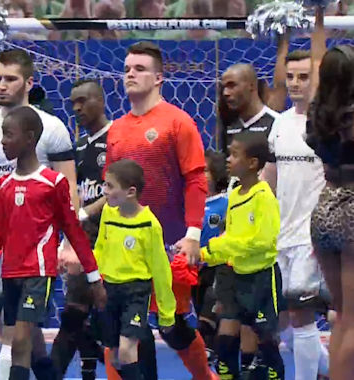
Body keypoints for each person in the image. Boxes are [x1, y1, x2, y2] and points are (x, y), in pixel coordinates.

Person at [0, 106, 107, 380]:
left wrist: (94, 277)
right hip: (10, 275)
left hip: (38, 274)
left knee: (19, 342)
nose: (2, 141)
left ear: (29, 138)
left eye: (8, 135)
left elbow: (74, 232)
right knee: (34, 349)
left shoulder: (53, 183)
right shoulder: (3, 186)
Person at [104, 40, 216, 380]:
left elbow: (196, 180)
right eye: (126, 69)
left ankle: (206, 377)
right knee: (118, 328)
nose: (131, 75)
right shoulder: (117, 130)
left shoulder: (177, 122)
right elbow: (110, 191)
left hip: (168, 245)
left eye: (139, 69)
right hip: (124, 249)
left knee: (173, 325)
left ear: (158, 78)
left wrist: (193, 235)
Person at [0, 48, 77, 380]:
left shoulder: (52, 128)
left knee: (17, 332)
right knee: (13, 328)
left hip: (33, 245)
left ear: (29, 82)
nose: (1, 85)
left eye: (10, 79)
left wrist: (67, 243)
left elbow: (69, 186)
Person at [262, 11, 331, 378]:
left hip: (313, 235)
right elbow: (269, 179)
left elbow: (319, 60)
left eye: (303, 77)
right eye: (290, 77)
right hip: (281, 235)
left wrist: (319, 15)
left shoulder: (325, 122)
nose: (295, 83)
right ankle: (330, 371)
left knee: (301, 316)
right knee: (285, 321)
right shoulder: (278, 125)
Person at [193, 132, 285, 379]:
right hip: (236, 279)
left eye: (234, 155)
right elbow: (229, 237)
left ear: (253, 163)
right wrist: (204, 254)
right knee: (223, 346)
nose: (228, 160)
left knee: (265, 340)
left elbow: (262, 241)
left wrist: (219, 248)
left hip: (262, 279)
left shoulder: (264, 197)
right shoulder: (233, 197)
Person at [94, 159, 177, 380]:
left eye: (110, 186)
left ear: (130, 192)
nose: (104, 191)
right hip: (109, 290)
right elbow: (101, 248)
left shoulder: (149, 225)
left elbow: (160, 270)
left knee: (126, 349)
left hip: (136, 292)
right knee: (113, 356)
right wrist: (90, 276)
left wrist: (167, 314)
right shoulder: (108, 214)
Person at [50, 79, 110, 380]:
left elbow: (119, 191)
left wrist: (84, 214)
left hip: (112, 241)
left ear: (100, 100)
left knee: (103, 319)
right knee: (74, 315)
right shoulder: (79, 147)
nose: (76, 108)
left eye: (83, 101)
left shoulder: (116, 140)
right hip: (82, 242)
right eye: (73, 102)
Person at [305, 25, 354, 380]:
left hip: (324, 211)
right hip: (353, 213)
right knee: (352, 318)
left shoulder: (316, 116)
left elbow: (320, 69)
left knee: (341, 313)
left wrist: (318, 23)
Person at [193, 150, 229, 360]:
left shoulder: (226, 202)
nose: (201, 175)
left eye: (205, 170)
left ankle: (211, 354)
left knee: (208, 317)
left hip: (219, 267)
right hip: (195, 268)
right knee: (201, 312)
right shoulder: (189, 204)